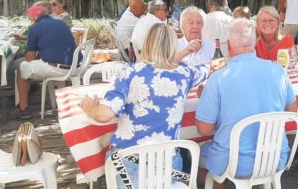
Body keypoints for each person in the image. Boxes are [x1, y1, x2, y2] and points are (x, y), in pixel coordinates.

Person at [79, 23, 225, 189]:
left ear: (146, 44)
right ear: (172, 46)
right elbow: (211, 66)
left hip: (128, 162)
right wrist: (227, 59)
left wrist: (91, 109)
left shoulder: (129, 72)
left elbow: (106, 114)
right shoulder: (184, 74)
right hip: (167, 163)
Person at [196, 19, 298, 189]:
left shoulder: (218, 79)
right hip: (275, 157)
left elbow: (204, 129)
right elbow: (292, 111)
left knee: (197, 156)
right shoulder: (278, 71)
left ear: (227, 45)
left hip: (235, 163)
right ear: (256, 42)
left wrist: (209, 99)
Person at [16, 3, 80, 118]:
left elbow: (30, 59)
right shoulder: (61, 23)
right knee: (33, 66)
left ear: (33, 18)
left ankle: (23, 108)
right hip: (76, 66)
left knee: (22, 67)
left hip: (57, 69)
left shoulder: (34, 28)